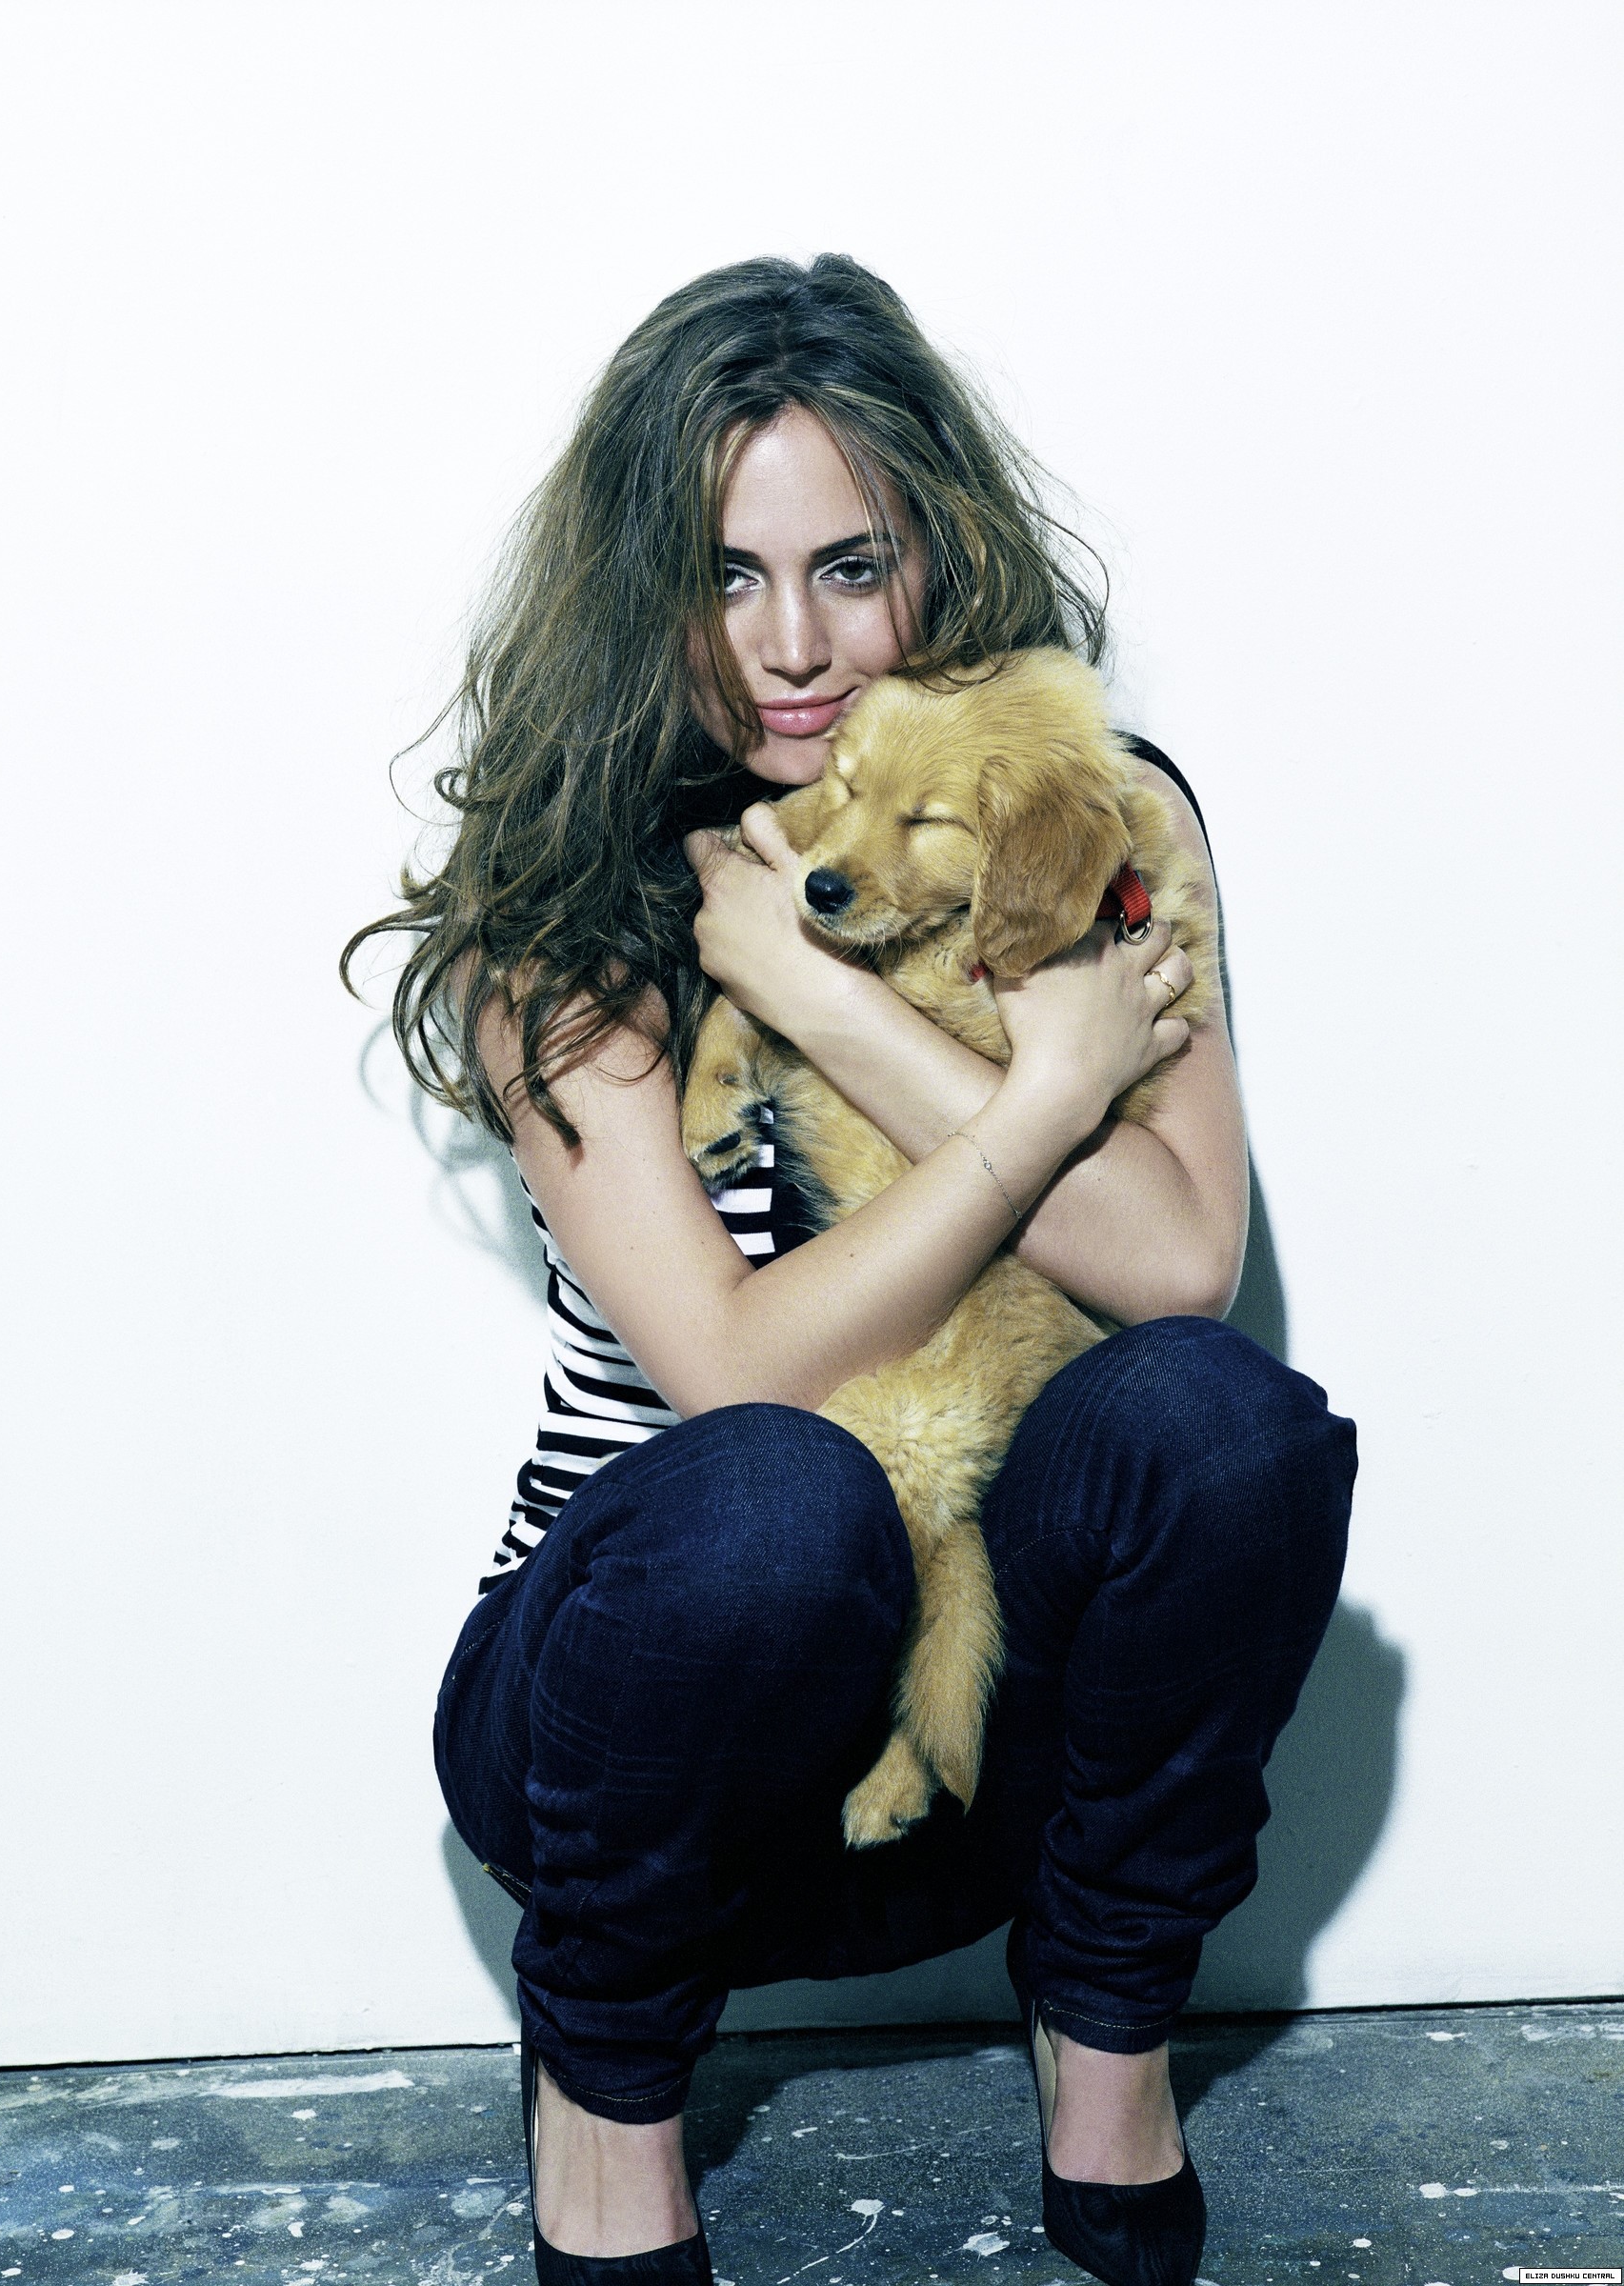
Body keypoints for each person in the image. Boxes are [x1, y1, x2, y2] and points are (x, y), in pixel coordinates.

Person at [347, 254, 1356, 2286]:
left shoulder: (1081, 815)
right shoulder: (573, 908)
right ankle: (606, 2100)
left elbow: (1181, 1264)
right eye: (725, 577)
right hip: (641, 1750)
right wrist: (1036, 1092)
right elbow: (736, 1376)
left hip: (971, 1753)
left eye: (849, 566)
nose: (793, 646)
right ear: (641, 594)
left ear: (936, 556)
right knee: (775, 1497)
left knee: (1226, 1429)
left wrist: (827, 997)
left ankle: (1106, 2044)